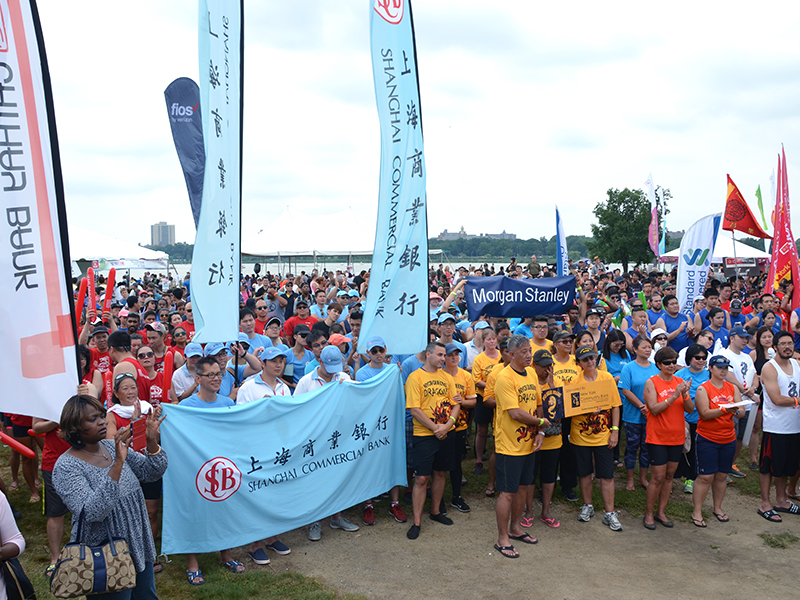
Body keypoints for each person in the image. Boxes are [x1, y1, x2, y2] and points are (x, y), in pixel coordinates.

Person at [53, 394, 167, 598]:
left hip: (138, 543)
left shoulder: (110, 447)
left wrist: (151, 441)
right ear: (74, 427)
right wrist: (117, 465)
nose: (101, 422)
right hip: (105, 555)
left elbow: (151, 472)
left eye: (101, 415)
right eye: (92, 419)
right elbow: (92, 512)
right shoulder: (66, 466)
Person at [179, 356, 242, 583]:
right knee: (194, 513)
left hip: (222, 468)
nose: (216, 379)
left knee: (224, 511)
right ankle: (192, 561)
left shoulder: (228, 403)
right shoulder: (185, 407)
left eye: (219, 374)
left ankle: (226, 555)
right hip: (194, 470)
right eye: (211, 375)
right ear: (198, 378)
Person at [234, 347, 293, 564]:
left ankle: (271, 537)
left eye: (281, 361)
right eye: (273, 361)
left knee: (276, 493)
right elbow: (240, 418)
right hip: (256, 448)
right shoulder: (248, 388)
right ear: (263, 363)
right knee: (258, 495)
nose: (278, 365)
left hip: (278, 447)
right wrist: (262, 408)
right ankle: (255, 544)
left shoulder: (284, 389)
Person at [491, 336, 548, 558]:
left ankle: (515, 528)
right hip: (509, 446)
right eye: (523, 351)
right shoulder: (504, 378)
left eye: (530, 350)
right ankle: (502, 538)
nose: (528, 355)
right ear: (511, 354)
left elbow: (539, 403)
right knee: (507, 492)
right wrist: (541, 423)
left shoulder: (532, 372)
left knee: (524, 488)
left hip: (529, 442)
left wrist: (541, 432)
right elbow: (514, 412)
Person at [296, 347, 360, 540]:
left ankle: (337, 516)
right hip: (315, 438)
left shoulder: (343, 378)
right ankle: (315, 521)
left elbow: (358, 399)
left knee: (338, 476)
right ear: (320, 362)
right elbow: (296, 408)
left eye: (336, 367)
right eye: (329, 366)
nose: (333, 371)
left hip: (338, 436)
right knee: (315, 479)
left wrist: (346, 389)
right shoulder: (306, 381)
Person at [405, 342, 461, 540]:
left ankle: (436, 511)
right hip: (425, 434)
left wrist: (448, 425)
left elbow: (456, 404)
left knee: (440, 473)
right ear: (428, 355)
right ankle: (417, 521)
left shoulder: (447, 377)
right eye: (439, 355)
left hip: (446, 432)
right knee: (421, 478)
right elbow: (414, 409)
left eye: (444, 355)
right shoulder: (415, 377)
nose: (443, 358)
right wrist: (436, 428)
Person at [355, 337, 408, 525]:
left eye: (381, 350)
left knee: (393, 458)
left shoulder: (393, 370)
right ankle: (368, 504)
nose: (378, 354)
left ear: (386, 350)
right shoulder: (362, 373)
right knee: (370, 461)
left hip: (391, 421)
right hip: (371, 425)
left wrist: (397, 374)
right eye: (374, 351)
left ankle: (394, 502)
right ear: (368, 353)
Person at [571, 346, 623, 531]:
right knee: (585, 473)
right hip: (581, 435)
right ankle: (588, 505)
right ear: (579, 363)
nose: (590, 362)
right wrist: (585, 409)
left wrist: (615, 431)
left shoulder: (606, 378)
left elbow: (616, 406)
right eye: (585, 360)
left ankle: (610, 513)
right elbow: (569, 409)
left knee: (607, 475)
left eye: (592, 358)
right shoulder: (574, 381)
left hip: (603, 435)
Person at [642, 347, 692, 529]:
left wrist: (685, 393)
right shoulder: (652, 382)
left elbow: (690, 409)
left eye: (674, 361)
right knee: (657, 477)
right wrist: (675, 395)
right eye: (667, 363)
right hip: (658, 436)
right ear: (658, 365)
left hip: (676, 436)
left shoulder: (680, 381)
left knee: (670, 476)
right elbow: (654, 409)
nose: (672, 365)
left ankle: (661, 512)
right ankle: (648, 513)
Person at [692, 356, 745, 527]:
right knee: (706, 476)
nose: (723, 371)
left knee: (722, 475)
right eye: (720, 367)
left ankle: (718, 507)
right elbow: (705, 413)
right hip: (708, 437)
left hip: (728, 437)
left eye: (726, 368)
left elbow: (742, 411)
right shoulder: (703, 389)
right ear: (711, 368)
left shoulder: (731, 388)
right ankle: (697, 510)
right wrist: (725, 409)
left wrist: (736, 411)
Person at [757, 331, 800, 522]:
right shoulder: (770, 367)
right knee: (768, 466)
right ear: (775, 347)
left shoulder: (797, 365)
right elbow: (775, 399)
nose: (787, 347)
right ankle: (765, 503)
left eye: (790, 343)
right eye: (782, 344)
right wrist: (798, 401)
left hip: (794, 426)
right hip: (776, 427)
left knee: (785, 466)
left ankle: (781, 500)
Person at [619, 336, 658, 491]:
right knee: (631, 448)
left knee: (646, 448)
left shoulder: (655, 368)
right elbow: (626, 390)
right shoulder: (628, 367)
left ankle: (643, 478)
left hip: (651, 416)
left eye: (649, 347)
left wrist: (649, 408)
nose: (647, 350)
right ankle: (630, 480)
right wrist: (642, 406)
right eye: (644, 347)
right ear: (634, 349)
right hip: (632, 416)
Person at [441, 343, 477, 514]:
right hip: (441, 426)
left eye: (457, 354)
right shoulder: (439, 375)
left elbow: (473, 401)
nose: (454, 357)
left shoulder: (465, 376)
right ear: (444, 358)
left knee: (456, 463)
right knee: (439, 465)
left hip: (460, 426)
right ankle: (438, 499)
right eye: (450, 355)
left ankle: (456, 497)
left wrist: (461, 402)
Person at [720, 327, 760, 477]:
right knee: (731, 434)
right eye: (741, 337)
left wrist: (753, 387)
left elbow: (754, 375)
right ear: (732, 338)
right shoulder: (724, 354)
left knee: (741, 437)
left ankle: (730, 464)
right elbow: (728, 376)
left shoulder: (747, 357)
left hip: (747, 401)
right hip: (732, 401)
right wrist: (745, 389)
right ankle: (722, 467)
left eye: (746, 338)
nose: (745, 340)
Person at [675, 343, 711, 494]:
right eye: (697, 358)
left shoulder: (709, 375)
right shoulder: (680, 375)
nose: (701, 361)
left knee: (695, 451)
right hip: (681, 418)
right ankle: (673, 477)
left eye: (703, 358)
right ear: (690, 358)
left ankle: (691, 478)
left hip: (701, 419)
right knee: (679, 449)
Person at [471, 329, 502, 476]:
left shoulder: (501, 357)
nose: (491, 342)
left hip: (499, 398)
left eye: (493, 339)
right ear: (483, 342)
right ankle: (478, 460)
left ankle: (498, 456)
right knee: (482, 430)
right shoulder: (479, 359)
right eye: (488, 339)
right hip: (483, 398)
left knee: (498, 428)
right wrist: (493, 386)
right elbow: (477, 381)